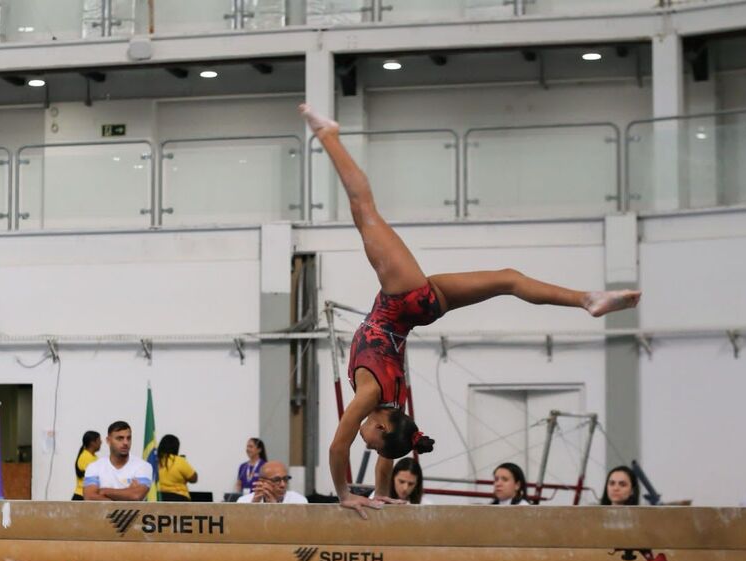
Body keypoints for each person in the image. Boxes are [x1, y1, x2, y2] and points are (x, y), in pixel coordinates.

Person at [300, 104, 641, 519]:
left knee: (508, 279)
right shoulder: (375, 396)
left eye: (367, 446)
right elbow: (339, 445)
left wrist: (382, 493)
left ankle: (587, 300)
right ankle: (329, 135)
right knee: (364, 206)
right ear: (383, 424)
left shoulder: (390, 402)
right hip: (403, 300)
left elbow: (388, 450)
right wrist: (344, 494)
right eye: (370, 442)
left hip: (416, 309)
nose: (364, 441)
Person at [81, 421, 152, 561]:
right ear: (108, 440)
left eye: (129, 438)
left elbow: (137, 496)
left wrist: (107, 490)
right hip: (97, 534)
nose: (125, 443)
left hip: (126, 535)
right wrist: (124, 492)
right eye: (120, 438)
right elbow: (89, 496)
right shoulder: (95, 467)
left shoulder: (142, 467)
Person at [236, 461, 307, 504]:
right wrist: (254, 506)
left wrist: (274, 507)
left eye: (285, 479)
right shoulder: (244, 501)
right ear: (262, 481)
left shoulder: (299, 501)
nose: (283, 485)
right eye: (276, 480)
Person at [156, 434, 198, 502]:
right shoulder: (179, 461)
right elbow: (194, 478)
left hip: (157, 498)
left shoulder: (154, 461)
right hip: (179, 499)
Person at [71, 430, 101, 501]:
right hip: (81, 495)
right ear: (92, 443)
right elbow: (96, 477)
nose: (101, 442)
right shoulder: (85, 457)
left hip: (89, 494)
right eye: (99, 440)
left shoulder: (95, 457)